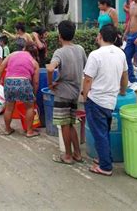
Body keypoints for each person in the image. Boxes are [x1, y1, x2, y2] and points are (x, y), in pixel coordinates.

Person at [82, 24, 128, 176]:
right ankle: (103, 159)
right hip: (110, 101)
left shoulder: (95, 55)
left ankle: (106, 167)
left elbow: (88, 79)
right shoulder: (121, 54)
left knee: (100, 133)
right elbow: (124, 76)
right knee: (104, 131)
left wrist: (84, 97)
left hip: (96, 100)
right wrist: (122, 91)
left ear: (100, 36)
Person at [47, 20, 87, 165]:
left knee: (64, 124)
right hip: (75, 93)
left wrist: (51, 83)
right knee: (71, 123)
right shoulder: (80, 49)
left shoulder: (60, 52)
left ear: (59, 35)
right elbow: (85, 68)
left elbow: (50, 68)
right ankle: (77, 154)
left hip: (63, 93)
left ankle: (68, 156)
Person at [0, 42, 40, 137]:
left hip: (9, 82)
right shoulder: (34, 62)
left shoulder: (13, 54)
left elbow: (2, 66)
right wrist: (34, 94)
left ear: (24, 48)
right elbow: (36, 82)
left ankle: (7, 129)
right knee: (29, 107)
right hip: (24, 83)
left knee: (8, 108)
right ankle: (29, 131)